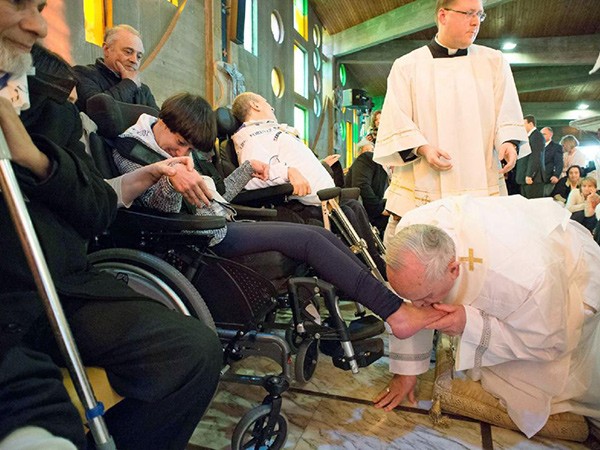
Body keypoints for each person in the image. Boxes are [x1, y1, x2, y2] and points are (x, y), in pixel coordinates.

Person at [0, 5, 221, 450]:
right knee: (42, 417)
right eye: (19, 4)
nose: (39, 25)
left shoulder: (48, 106)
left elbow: (99, 203)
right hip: (15, 296)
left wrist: (38, 160)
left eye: (40, 8)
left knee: (196, 349)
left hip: (64, 281)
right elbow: (154, 204)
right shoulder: (120, 129)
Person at [111, 92, 446, 344]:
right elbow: (162, 211)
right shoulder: (130, 151)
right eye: (180, 144)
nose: (182, 153)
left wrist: (247, 170)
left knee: (323, 236)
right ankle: (395, 313)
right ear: (162, 122)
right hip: (191, 236)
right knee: (311, 239)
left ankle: (387, 304)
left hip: (217, 222)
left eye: (188, 150)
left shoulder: (179, 151)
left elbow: (217, 195)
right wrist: (170, 177)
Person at [374, 195, 600, 438]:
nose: (417, 306)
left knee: (534, 379)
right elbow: (410, 300)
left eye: (426, 297)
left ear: (453, 269)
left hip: (567, 276)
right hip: (515, 252)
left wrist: (469, 323)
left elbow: (550, 341)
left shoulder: (526, 280)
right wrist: (406, 372)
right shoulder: (412, 232)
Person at [373, 0, 528, 240]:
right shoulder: (407, 66)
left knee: (479, 248)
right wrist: (423, 148)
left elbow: (505, 109)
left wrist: (508, 142)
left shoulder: (494, 61)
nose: (476, 22)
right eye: (468, 13)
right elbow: (397, 118)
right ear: (443, 16)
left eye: (480, 15)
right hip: (426, 178)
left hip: (479, 175)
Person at [230, 91, 387, 276]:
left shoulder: (271, 132)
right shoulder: (252, 137)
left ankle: (376, 266)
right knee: (349, 210)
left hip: (324, 200)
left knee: (353, 207)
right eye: (265, 102)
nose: (271, 107)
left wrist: (320, 166)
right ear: (255, 105)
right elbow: (253, 177)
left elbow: (288, 161)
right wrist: (288, 173)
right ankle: (367, 273)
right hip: (300, 204)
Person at [73, 24, 158, 114]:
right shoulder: (83, 74)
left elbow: (159, 120)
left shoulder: (144, 91)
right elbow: (99, 110)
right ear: (107, 49)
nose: (134, 60)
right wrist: (129, 84)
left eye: (139, 56)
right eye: (128, 52)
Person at [345, 138, 390, 236]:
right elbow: (361, 185)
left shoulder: (389, 167)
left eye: (372, 149)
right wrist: (379, 209)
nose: (371, 152)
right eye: (369, 150)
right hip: (372, 219)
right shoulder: (367, 158)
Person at [520, 115, 545, 198]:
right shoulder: (530, 136)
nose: (522, 127)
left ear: (530, 124)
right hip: (526, 177)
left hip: (534, 178)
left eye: (524, 124)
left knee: (533, 202)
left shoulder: (537, 136)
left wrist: (530, 175)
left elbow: (535, 156)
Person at [540, 127, 564, 197]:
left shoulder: (556, 147)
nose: (542, 136)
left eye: (544, 134)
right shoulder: (537, 146)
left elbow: (559, 163)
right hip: (536, 178)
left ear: (551, 134)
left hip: (547, 178)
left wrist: (556, 175)